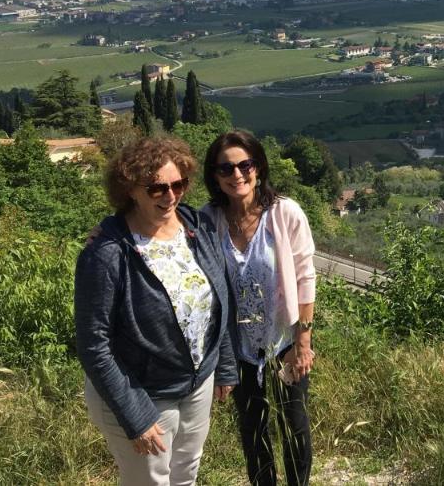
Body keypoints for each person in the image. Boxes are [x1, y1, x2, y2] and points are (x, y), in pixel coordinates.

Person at [75, 136, 238, 486]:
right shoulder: (106, 252)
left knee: (186, 473)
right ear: (130, 189)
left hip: (197, 384)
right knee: (149, 482)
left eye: (178, 184)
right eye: (156, 189)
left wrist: (223, 366)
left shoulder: (195, 227)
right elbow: (94, 346)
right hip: (142, 391)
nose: (170, 196)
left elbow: (217, 299)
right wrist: (134, 415)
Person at [202, 130, 316, 486]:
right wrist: (109, 228)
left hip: (284, 340)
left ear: (259, 167)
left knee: (293, 425)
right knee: (253, 431)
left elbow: (304, 278)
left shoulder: (285, 213)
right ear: (215, 177)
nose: (237, 174)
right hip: (239, 347)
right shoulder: (208, 219)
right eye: (225, 169)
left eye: (245, 165)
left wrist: (303, 343)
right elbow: (161, 223)